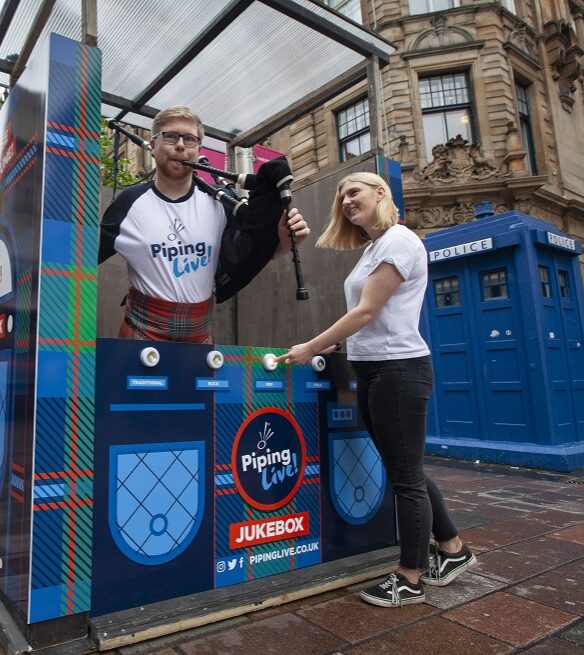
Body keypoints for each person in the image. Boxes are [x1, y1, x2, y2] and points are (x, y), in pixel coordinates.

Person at [275, 172, 475, 607]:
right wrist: (321, 346)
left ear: (381, 193)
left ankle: (410, 578)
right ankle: (454, 550)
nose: (345, 200)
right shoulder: (373, 248)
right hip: (372, 369)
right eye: (341, 196)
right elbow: (366, 321)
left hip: (398, 370)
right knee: (408, 469)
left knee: (405, 476)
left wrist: (311, 346)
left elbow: (367, 311)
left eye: (354, 191)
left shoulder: (400, 241)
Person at [99, 105, 309, 342]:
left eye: (189, 139)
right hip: (140, 331)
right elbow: (84, 259)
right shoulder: (128, 203)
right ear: (153, 145)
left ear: (198, 149)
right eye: (170, 137)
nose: (180, 145)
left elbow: (247, 254)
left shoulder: (220, 202)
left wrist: (283, 242)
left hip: (199, 335)